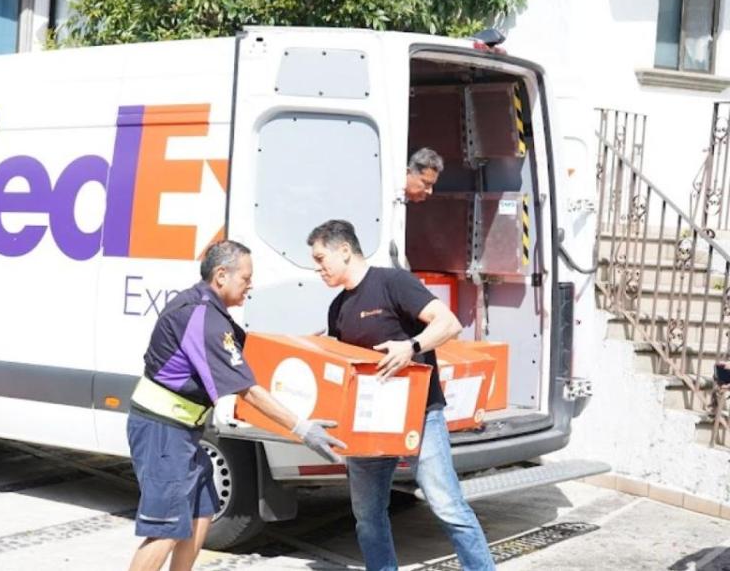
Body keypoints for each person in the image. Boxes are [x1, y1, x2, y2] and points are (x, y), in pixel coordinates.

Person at [127, 240, 345, 571]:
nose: (251, 285)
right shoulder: (203, 318)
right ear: (221, 275)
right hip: (161, 432)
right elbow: (248, 390)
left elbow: (250, 354)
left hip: (182, 431)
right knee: (165, 529)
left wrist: (308, 346)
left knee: (201, 511)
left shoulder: (211, 311)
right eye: (245, 278)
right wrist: (303, 429)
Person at [307, 220, 495, 571]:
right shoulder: (338, 308)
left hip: (420, 415)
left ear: (345, 250)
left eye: (321, 258)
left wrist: (412, 346)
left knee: (447, 506)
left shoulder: (393, 283)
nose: (317, 268)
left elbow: (449, 323)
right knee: (367, 516)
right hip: (369, 424)